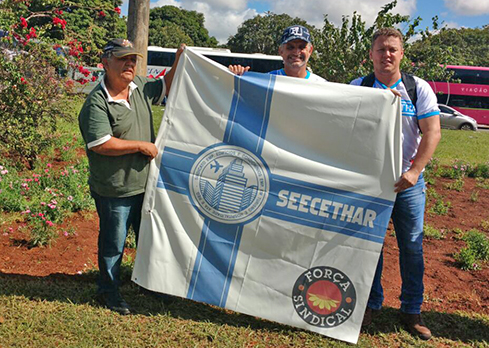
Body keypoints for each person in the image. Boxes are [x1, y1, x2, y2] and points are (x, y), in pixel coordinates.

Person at [78, 38, 184, 315]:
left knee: (147, 238)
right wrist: (140, 145)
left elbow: (166, 84)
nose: (130, 64)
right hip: (115, 188)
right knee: (113, 243)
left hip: (145, 185)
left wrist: (179, 60)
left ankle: (146, 283)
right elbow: (101, 143)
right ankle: (108, 291)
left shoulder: (138, 89)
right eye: (123, 58)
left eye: (133, 59)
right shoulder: (97, 102)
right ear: (105, 62)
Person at [350, 28, 441, 340]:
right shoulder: (358, 87)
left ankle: (411, 310)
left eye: (392, 49)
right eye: (380, 49)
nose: (386, 54)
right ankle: (370, 304)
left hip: (408, 184)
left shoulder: (418, 89)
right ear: (371, 55)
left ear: (402, 54)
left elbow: (432, 133)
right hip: (369, 184)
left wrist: (415, 171)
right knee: (369, 248)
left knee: (412, 248)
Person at [229, 24, 325, 82]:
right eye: (290, 47)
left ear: (310, 50)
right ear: (281, 51)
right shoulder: (266, 81)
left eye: (301, 47)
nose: (296, 52)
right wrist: (235, 79)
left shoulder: (322, 85)